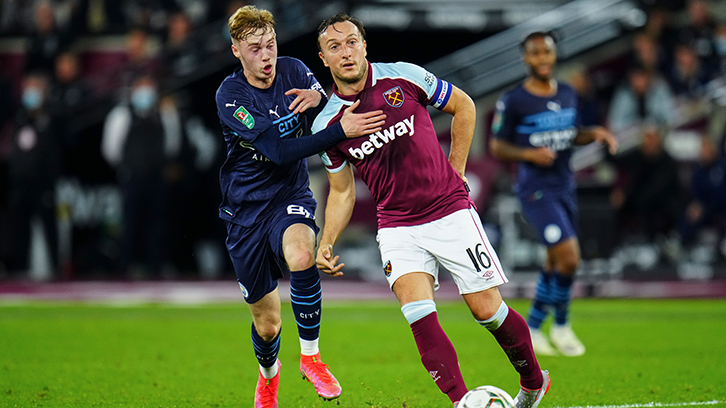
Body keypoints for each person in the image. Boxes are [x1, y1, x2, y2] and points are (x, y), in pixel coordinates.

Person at [313, 14, 549, 408]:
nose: (346, 52)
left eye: (352, 41)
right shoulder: (328, 125)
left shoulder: (402, 77)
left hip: (449, 211)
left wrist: (456, 172)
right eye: (334, 47)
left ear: (365, 46)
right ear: (324, 59)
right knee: (419, 316)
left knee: (486, 310)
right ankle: (462, 401)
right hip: (397, 227)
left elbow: (465, 106)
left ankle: (532, 381)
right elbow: (341, 191)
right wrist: (327, 240)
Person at [214, 6, 386, 408]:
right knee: (268, 323)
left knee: (301, 254)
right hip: (244, 211)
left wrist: (322, 96)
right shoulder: (230, 95)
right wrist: (337, 131)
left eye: (270, 45)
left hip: (289, 197)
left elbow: (329, 107)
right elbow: (275, 150)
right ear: (237, 50)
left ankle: (311, 358)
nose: (266, 55)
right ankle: (268, 380)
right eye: (255, 48)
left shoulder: (293, 70)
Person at [489, 32, 618, 357]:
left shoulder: (568, 93)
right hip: (535, 190)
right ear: (526, 59)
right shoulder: (514, 100)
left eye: (547, 52)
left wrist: (595, 134)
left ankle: (532, 328)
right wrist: (529, 155)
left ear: (554, 55)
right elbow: (497, 146)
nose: (543, 58)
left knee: (553, 259)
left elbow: (570, 134)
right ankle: (561, 326)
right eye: (536, 53)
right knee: (570, 257)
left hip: (564, 186)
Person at [101, 75, 180, 279]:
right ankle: (127, 266)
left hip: (157, 177)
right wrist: (129, 166)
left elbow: (172, 144)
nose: (145, 92)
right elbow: (111, 148)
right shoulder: (121, 115)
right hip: (132, 177)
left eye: (149, 87)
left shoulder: (165, 113)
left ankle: (157, 267)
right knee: (130, 223)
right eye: (141, 87)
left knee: (157, 225)